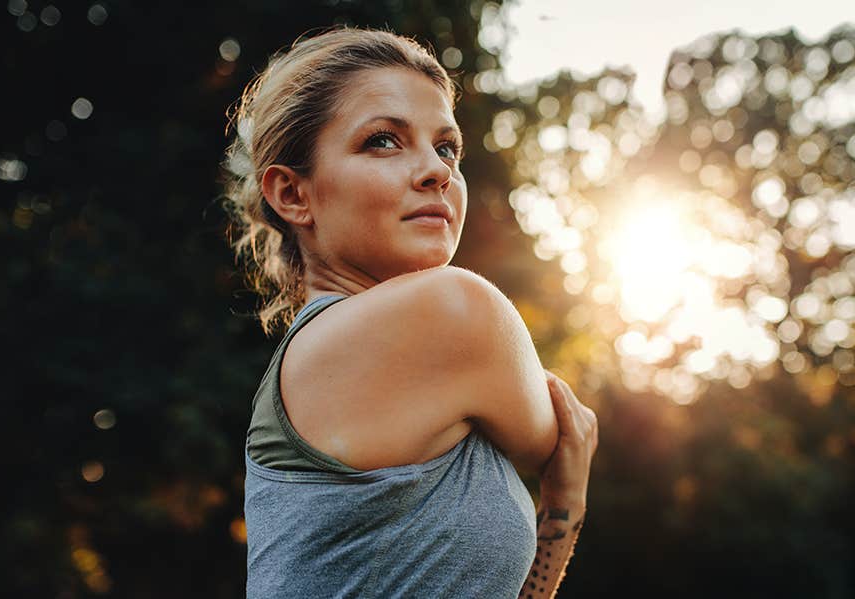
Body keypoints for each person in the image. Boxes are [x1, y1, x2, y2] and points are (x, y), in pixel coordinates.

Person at [221, 27, 598, 598]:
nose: (437, 171)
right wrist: (565, 498)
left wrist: (560, 518)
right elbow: (558, 441)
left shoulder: (334, 353)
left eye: (446, 147)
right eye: (383, 141)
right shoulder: (455, 308)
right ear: (293, 195)